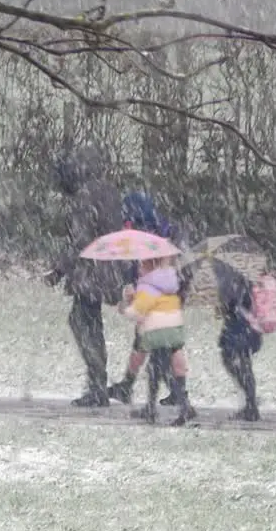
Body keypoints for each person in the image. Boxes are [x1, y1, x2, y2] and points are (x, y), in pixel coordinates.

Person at [44, 145, 125, 407]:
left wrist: (58, 270)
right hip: (108, 267)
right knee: (91, 323)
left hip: (90, 272)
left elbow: (79, 241)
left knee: (83, 323)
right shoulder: (109, 192)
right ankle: (97, 383)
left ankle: (97, 385)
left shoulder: (84, 198)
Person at [108, 190, 179, 404]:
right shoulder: (158, 231)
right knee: (145, 343)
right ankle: (129, 386)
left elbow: (147, 268)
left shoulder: (146, 236)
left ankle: (175, 393)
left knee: (154, 345)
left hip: (154, 297)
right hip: (157, 296)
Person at [118, 255, 195, 425]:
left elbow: (138, 311)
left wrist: (125, 306)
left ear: (149, 265)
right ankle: (151, 408)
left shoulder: (149, 285)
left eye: (141, 264)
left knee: (159, 371)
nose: (139, 268)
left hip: (157, 332)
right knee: (156, 371)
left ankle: (184, 409)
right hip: (173, 330)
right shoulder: (169, 281)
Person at [217, 263, 262, 421]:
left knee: (235, 363)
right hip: (249, 328)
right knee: (244, 364)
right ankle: (250, 402)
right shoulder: (246, 277)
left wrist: (222, 305)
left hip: (238, 329)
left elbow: (229, 305)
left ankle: (251, 404)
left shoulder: (228, 280)